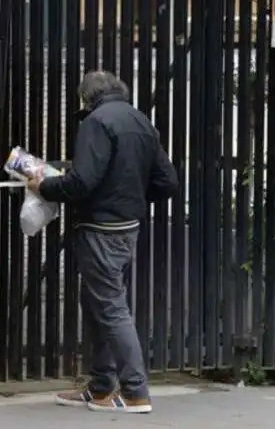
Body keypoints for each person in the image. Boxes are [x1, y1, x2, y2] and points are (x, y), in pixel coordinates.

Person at [28, 70, 178, 414]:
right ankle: (100, 387)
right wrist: (131, 198)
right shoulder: (141, 121)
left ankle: (136, 392)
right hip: (127, 228)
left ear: (87, 97)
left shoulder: (96, 123)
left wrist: (44, 187)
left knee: (110, 307)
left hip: (101, 230)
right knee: (99, 305)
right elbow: (167, 182)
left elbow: (82, 182)